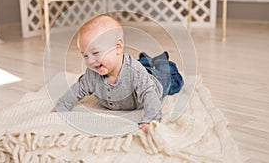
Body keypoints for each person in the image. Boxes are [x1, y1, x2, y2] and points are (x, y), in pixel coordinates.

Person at [53, 14, 184, 134]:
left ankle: (162, 62)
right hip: (132, 66)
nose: (90, 61)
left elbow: (149, 94)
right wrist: (61, 107)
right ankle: (146, 60)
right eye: (85, 55)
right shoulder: (92, 74)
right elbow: (77, 90)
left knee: (173, 80)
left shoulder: (136, 73)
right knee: (142, 64)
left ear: (118, 47)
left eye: (96, 53)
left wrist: (150, 120)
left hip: (156, 79)